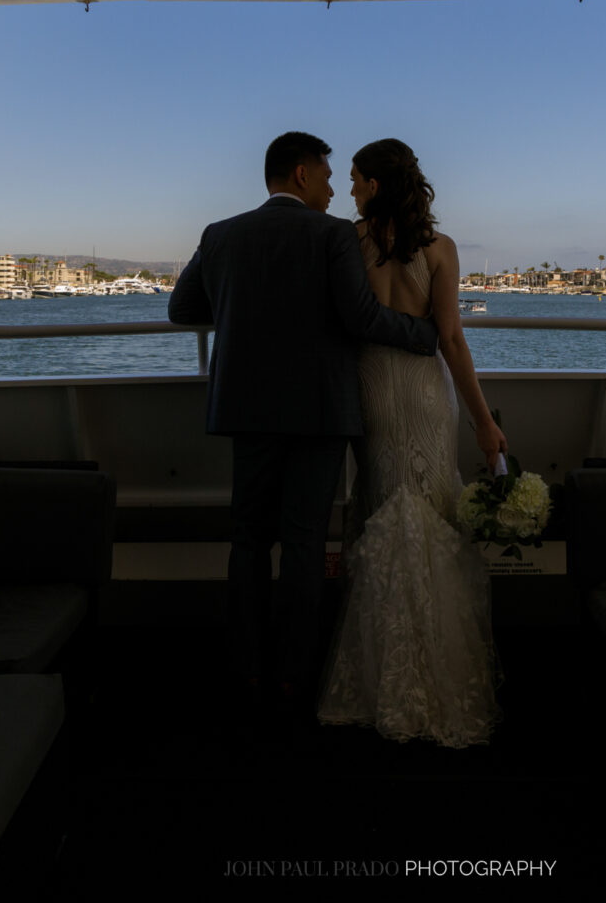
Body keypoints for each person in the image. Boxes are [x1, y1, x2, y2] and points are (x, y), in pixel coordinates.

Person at [167, 131, 437, 743]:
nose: (335, 186)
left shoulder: (220, 234)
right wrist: (426, 338)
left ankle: (246, 673)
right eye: (325, 174)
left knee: (247, 541)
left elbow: (183, 310)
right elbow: (359, 317)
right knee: (305, 544)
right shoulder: (332, 234)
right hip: (319, 410)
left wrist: (245, 308)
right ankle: (295, 677)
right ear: (300, 174)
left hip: (247, 408)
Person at [317, 137, 507, 748]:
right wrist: (482, 421)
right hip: (428, 395)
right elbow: (451, 341)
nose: (347, 188)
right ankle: (438, 676)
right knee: (427, 515)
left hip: (373, 389)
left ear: (375, 184)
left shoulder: (350, 243)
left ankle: (382, 678)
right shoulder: (440, 248)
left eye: (354, 179)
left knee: (383, 512)